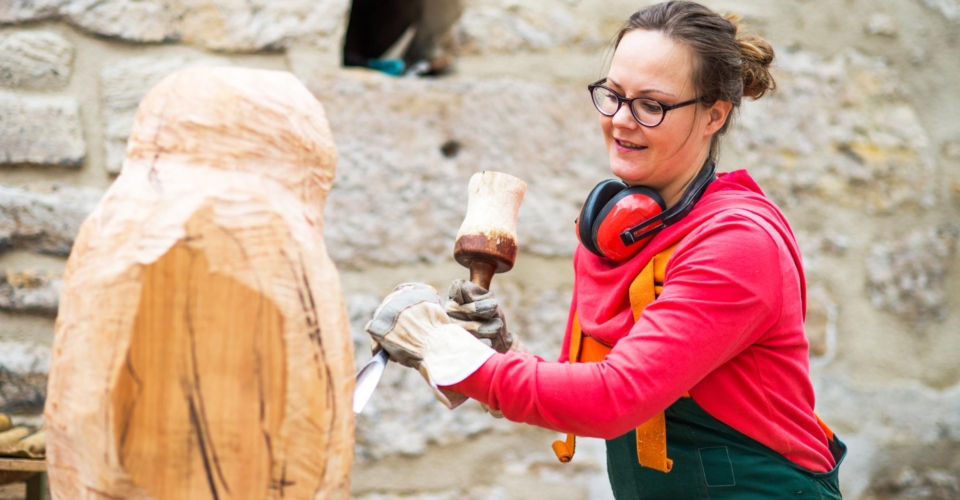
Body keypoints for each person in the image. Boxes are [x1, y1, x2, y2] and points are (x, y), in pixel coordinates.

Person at [363, 1, 847, 498]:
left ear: (713, 115)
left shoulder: (737, 244)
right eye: (612, 95)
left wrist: (444, 347)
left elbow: (614, 396)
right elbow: (586, 384)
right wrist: (501, 351)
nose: (621, 120)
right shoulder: (621, 231)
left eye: (651, 105)